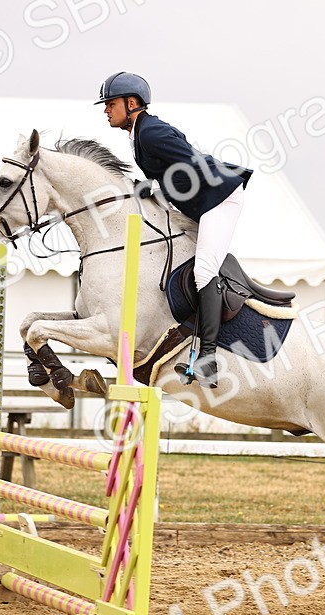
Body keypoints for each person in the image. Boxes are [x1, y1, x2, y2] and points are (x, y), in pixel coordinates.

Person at [97, 71, 252, 389]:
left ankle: (208, 359)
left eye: (111, 103)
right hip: (203, 200)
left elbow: (192, 166)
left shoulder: (151, 132)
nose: (106, 110)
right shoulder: (140, 133)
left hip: (219, 198)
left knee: (204, 270)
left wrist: (155, 186)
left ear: (131, 103)